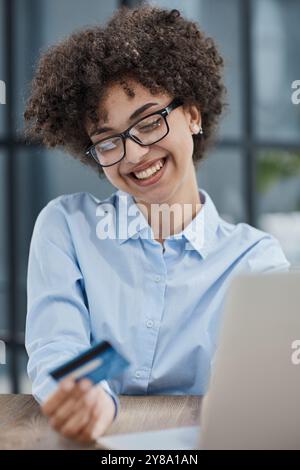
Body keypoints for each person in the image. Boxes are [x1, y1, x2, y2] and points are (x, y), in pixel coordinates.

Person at [23, 5, 290, 444]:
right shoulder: (66, 229)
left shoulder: (254, 261)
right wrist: (87, 395)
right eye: (108, 140)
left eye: (148, 122)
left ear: (193, 115)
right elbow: (59, 346)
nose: (133, 155)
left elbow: (257, 381)